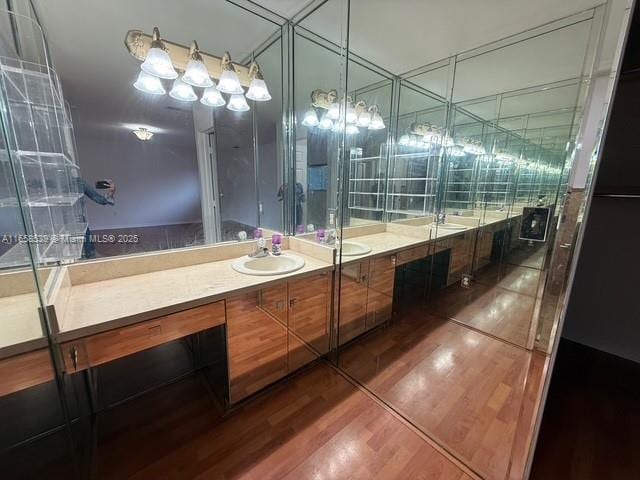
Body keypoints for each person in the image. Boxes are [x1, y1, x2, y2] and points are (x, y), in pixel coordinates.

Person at [76, 178, 115, 259]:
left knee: (90, 255)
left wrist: (110, 192)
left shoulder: (79, 183)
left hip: (80, 223)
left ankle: (91, 256)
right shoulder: (48, 183)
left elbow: (102, 200)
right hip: (56, 231)